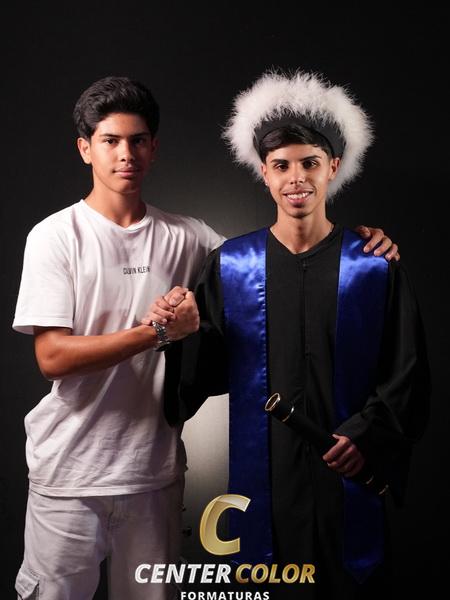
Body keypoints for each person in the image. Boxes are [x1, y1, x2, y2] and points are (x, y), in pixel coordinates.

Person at [12, 74, 397, 600]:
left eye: (138, 141)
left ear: (153, 148)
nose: (125, 154)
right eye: (110, 141)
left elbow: (280, 260)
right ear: (85, 149)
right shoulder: (56, 236)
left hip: (154, 474)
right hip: (69, 474)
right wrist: (157, 331)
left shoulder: (191, 238)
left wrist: (357, 245)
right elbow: (52, 357)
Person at [160, 70, 431, 600]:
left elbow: (408, 369)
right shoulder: (232, 265)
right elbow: (205, 371)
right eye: (281, 165)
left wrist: (368, 435)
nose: (296, 178)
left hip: (346, 470)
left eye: (310, 162)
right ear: (264, 173)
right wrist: (183, 334)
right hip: (268, 484)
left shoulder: (372, 266)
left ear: (333, 167)